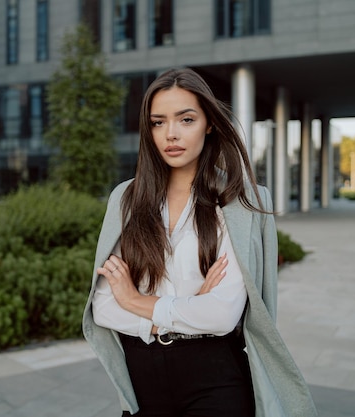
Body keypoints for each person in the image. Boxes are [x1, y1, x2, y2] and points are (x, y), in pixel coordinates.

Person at [82, 68, 317, 416]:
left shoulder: (239, 202)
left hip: (214, 374)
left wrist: (133, 299)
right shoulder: (127, 200)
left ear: (208, 123)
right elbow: (102, 307)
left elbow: (222, 314)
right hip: (142, 376)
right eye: (158, 122)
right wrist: (190, 305)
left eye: (186, 119)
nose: (171, 134)